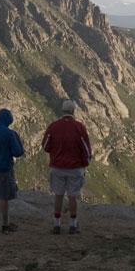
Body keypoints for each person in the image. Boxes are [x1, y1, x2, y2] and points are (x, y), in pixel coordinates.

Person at [41, 99, 92, 234]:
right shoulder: (79, 127)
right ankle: (73, 225)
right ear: (73, 111)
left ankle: (56, 225)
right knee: (72, 197)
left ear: (62, 111)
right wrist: (85, 163)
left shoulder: (53, 126)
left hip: (57, 167)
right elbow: (86, 149)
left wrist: (55, 152)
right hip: (75, 168)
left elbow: (45, 146)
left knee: (58, 195)